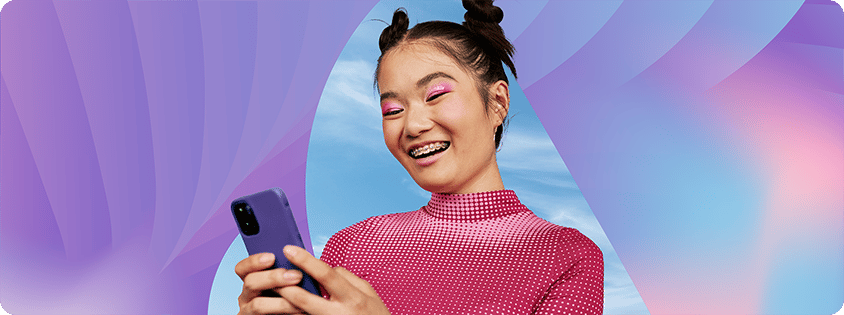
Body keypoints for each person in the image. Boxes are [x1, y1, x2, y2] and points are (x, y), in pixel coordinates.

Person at [235, 1, 604, 314]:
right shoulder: (351, 245)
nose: (412, 124)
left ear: (497, 102)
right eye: (392, 109)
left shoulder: (567, 257)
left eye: (436, 95)